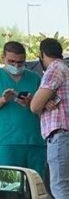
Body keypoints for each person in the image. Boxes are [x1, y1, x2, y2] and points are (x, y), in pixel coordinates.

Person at [30, 38, 69, 199]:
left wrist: (40, 102)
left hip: (60, 134)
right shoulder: (66, 69)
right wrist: (46, 103)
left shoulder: (53, 69)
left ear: (42, 54)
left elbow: (34, 106)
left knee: (60, 186)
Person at [0, 41, 46, 177]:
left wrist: (32, 102)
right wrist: (3, 100)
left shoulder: (34, 78)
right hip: (7, 142)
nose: (16, 66)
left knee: (36, 183)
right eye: (12, 61)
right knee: (10, 184)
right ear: (3, 57)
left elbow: (45, 108)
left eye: (20, 62)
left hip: (35, 141)